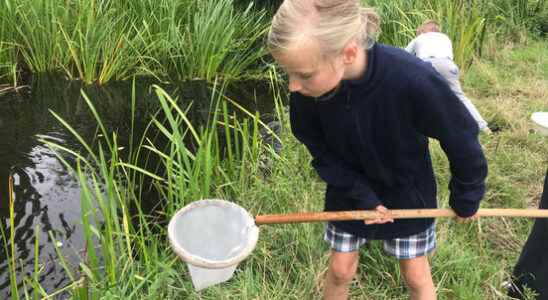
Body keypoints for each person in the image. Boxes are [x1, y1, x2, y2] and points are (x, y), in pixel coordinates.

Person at [267, 1, 488, 299]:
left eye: (304, 74)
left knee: (415, 273)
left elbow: (460, 135)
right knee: (340, 269)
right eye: (289, 74)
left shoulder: (412, 79)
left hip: (408, 191)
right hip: (347, 188)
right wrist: (360, 195)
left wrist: (467, 194)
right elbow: (319, 150)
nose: (293, 86)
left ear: (347, 53)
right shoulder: (307, 91)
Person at [405, 20, 492, 134]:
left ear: (425, 29)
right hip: (448, 65)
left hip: (427, 65)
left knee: (417, 96)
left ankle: (414, 128)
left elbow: (404, 55)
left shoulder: (420, 37)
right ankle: (484, 127)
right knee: (460, 97)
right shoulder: (446, 38)